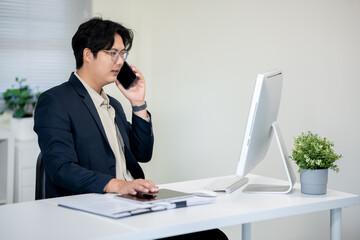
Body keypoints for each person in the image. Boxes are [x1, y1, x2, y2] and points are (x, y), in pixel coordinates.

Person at [34, 17, 227, 240]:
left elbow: (143, 154)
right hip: (94, 212)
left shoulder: (113, 105)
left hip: (130, 206)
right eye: (112, 53)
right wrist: (120, 185)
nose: (120, 62)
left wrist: (138, 103)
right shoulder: (56, 101)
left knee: (212, 234)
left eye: (122, 54)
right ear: (88, 54)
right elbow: (61, 169)